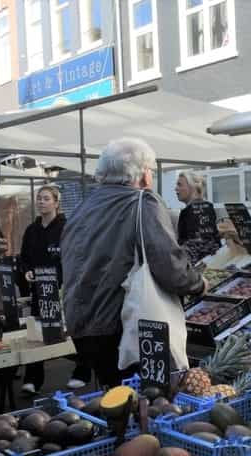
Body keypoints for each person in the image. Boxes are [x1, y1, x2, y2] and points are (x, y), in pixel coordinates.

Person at [61, 138, 206, 387]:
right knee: (146, 402)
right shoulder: (142, 202)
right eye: (150, 169)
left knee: (114, 397)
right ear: (143, 175)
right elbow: (168, 263)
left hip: (82, 326)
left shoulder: (83, 207)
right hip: (124, 326)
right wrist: (197, 283)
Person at [19, 185, 91, 394]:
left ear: (56, 203)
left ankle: (82, 371)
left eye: (46, 198)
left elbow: (77, 257)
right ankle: (32, 379)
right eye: (39, 198)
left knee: (73, 331)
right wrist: (27, 271)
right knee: (37, 333)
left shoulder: (67, 228)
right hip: (39, 291)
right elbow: (24, 258)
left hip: (64, 290)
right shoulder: (31, 231)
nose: (41, 202)